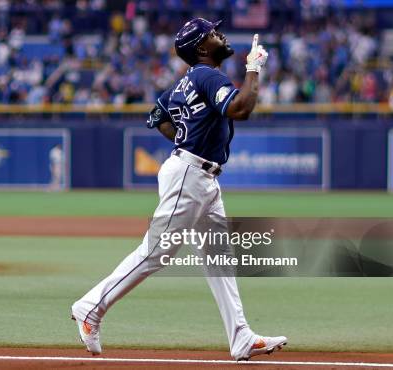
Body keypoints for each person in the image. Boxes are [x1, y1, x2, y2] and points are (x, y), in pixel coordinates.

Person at [71, 19, 287, 361]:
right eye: (213, 33)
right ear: (202, 48)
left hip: (199, 174)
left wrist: (185, 140)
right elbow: (241, 108)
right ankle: (90, 307)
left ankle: (241, 336)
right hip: (190, 173)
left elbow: (157, 115)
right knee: (157, 251)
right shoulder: (205, 74)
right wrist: (253, 68)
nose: (221, 35)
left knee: (220, 258)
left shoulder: (186, 82)